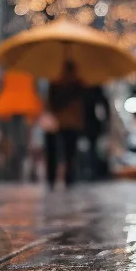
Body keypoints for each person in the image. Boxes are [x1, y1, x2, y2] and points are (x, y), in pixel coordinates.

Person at [45, 60, 86, 189]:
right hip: (70, 122)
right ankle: (69, 178)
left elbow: (52, 103)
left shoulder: (57, 83)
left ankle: (53, 178)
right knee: (69, 152)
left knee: (57, 152)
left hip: (60, 122)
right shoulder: (78, 84)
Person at [83, 84, 111, 180]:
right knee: (94, 147)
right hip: (92, 124)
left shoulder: (87, 91)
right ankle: (94, 170)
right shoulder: (96, 91)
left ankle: (94, 170)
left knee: (94, 147)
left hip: (90, 124)